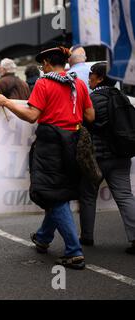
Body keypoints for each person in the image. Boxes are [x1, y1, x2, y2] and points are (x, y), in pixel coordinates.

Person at [0, 47, 95, 270]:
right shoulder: (77, 83)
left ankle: (74, 251)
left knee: (53, 194)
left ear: (48, 63)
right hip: (74, 141)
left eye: (43, 65)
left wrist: (7, 102)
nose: (42, 68)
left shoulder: (44, 83)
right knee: (60, 192)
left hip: (50, 143)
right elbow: (90, 115)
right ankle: (43, 237)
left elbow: (31, 116)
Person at [79, 62, 135, 254]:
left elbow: (82, 124)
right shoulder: (124, 98)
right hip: (122, 155)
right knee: (125, 196)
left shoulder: (92, 99)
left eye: (92, 75)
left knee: (88, 195)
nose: (89, 78)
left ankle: (87, 236)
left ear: (100, 78)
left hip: (97, 157)